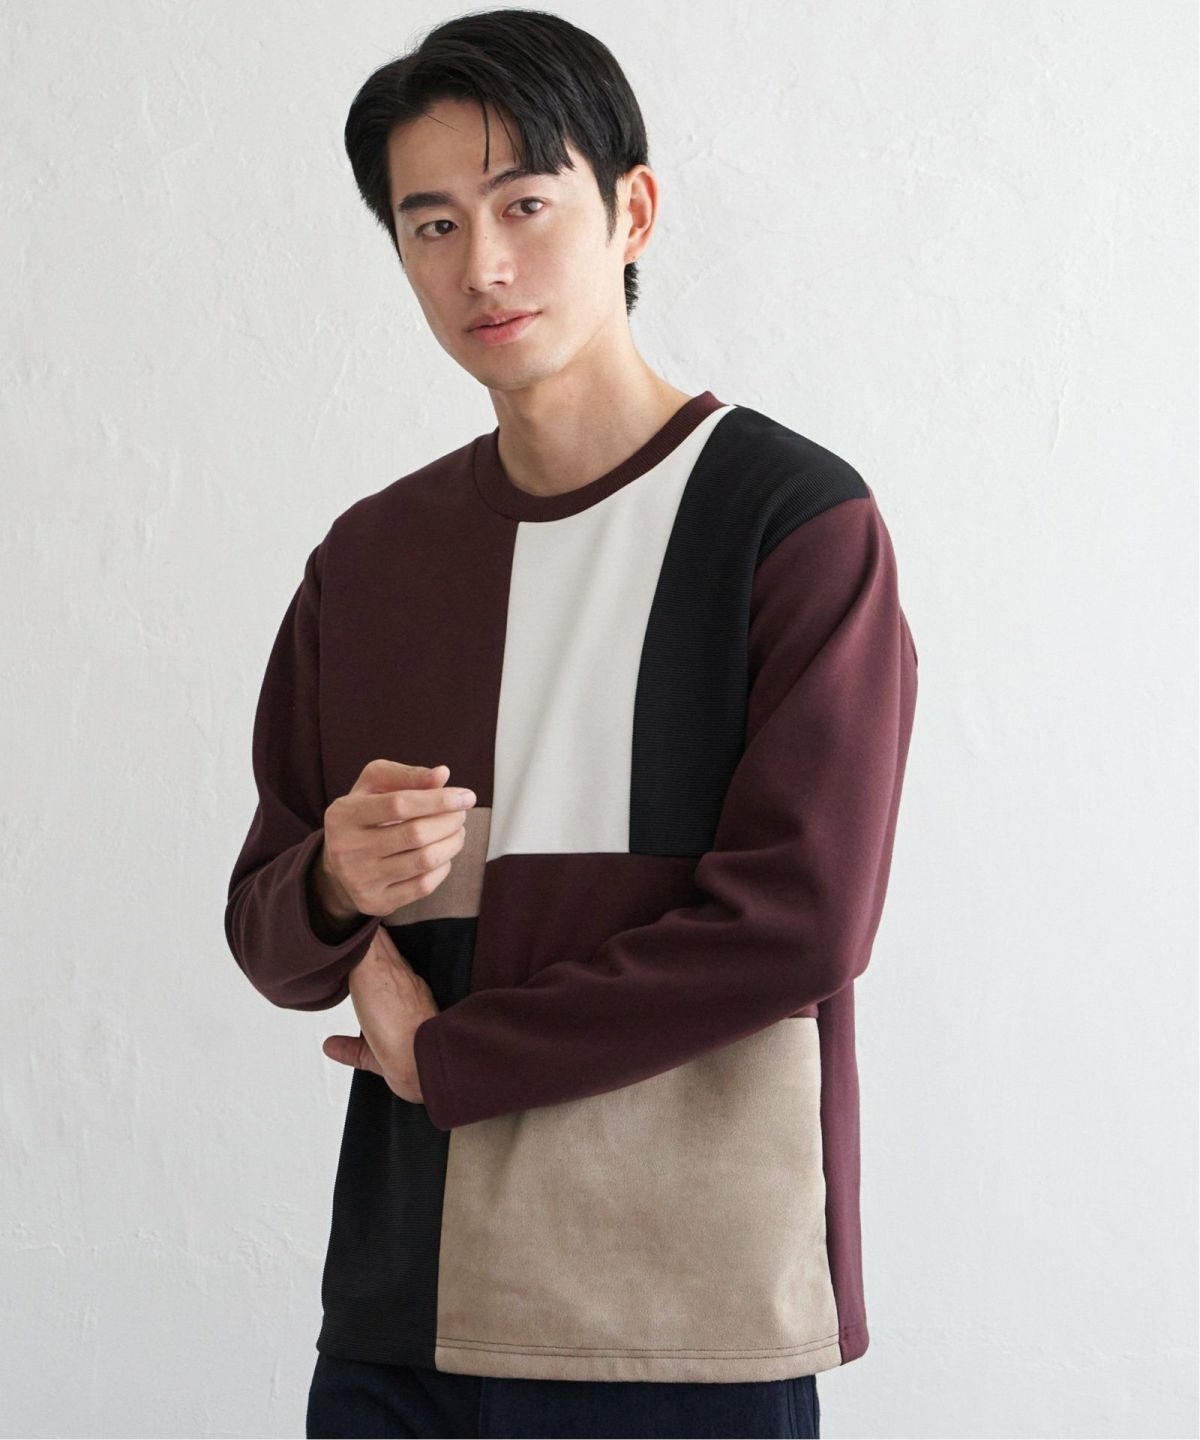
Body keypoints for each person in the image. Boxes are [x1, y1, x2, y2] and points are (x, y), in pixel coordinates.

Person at [224, 9, 919, 1438]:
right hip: (401, 1318)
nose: (479, 264)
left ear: (631, 211)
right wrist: (337, 889)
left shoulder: (786, 521)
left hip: (677, 1328)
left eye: (524, 204)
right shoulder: (371, 561)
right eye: (429, 224)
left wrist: (454, 1059)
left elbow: (800, 920)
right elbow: (268, 919)